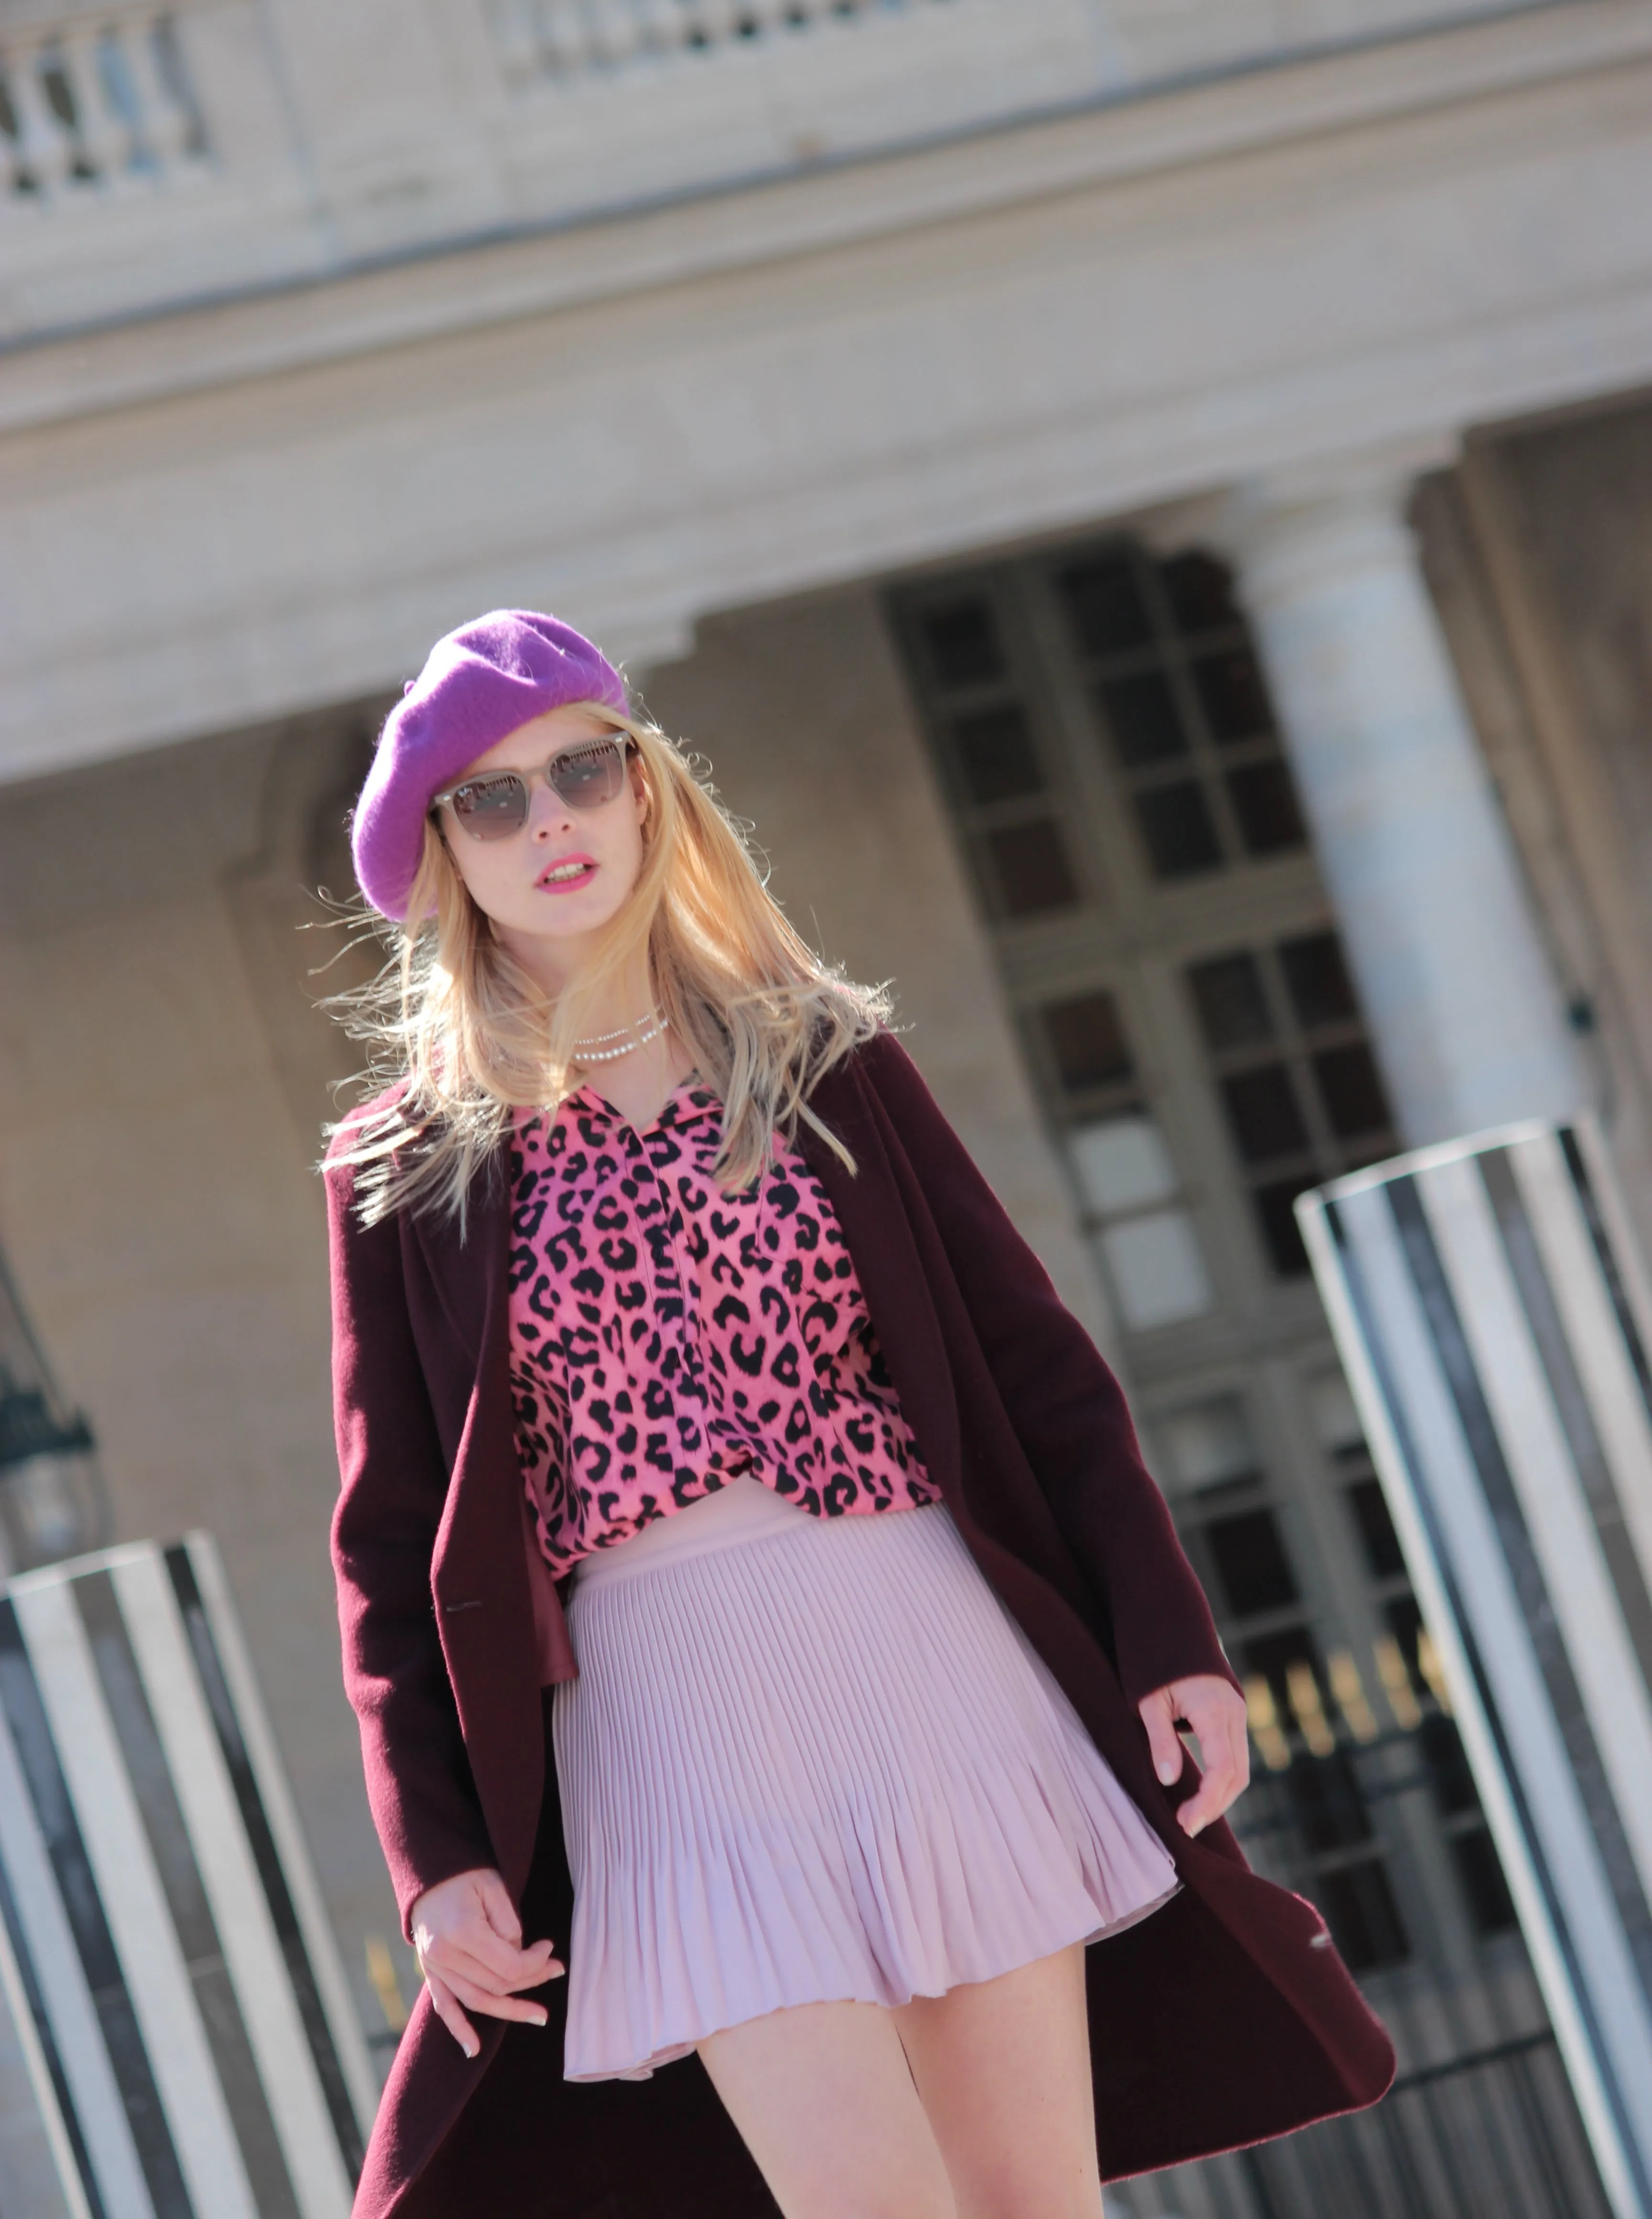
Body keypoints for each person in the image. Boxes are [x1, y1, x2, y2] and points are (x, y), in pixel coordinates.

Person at [323, 609, 1394, 2219]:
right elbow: (390, 1544)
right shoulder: (407, 1172)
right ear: (441, 854)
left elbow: (1040, 1371)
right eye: (495, 801)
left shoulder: (816, 1056)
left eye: (585, 773)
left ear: (647, 792)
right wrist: (433, 1859)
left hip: (920, 1645)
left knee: (1031, 2198)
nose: (552, 823)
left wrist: (1172, 1639)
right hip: (666, 1719)